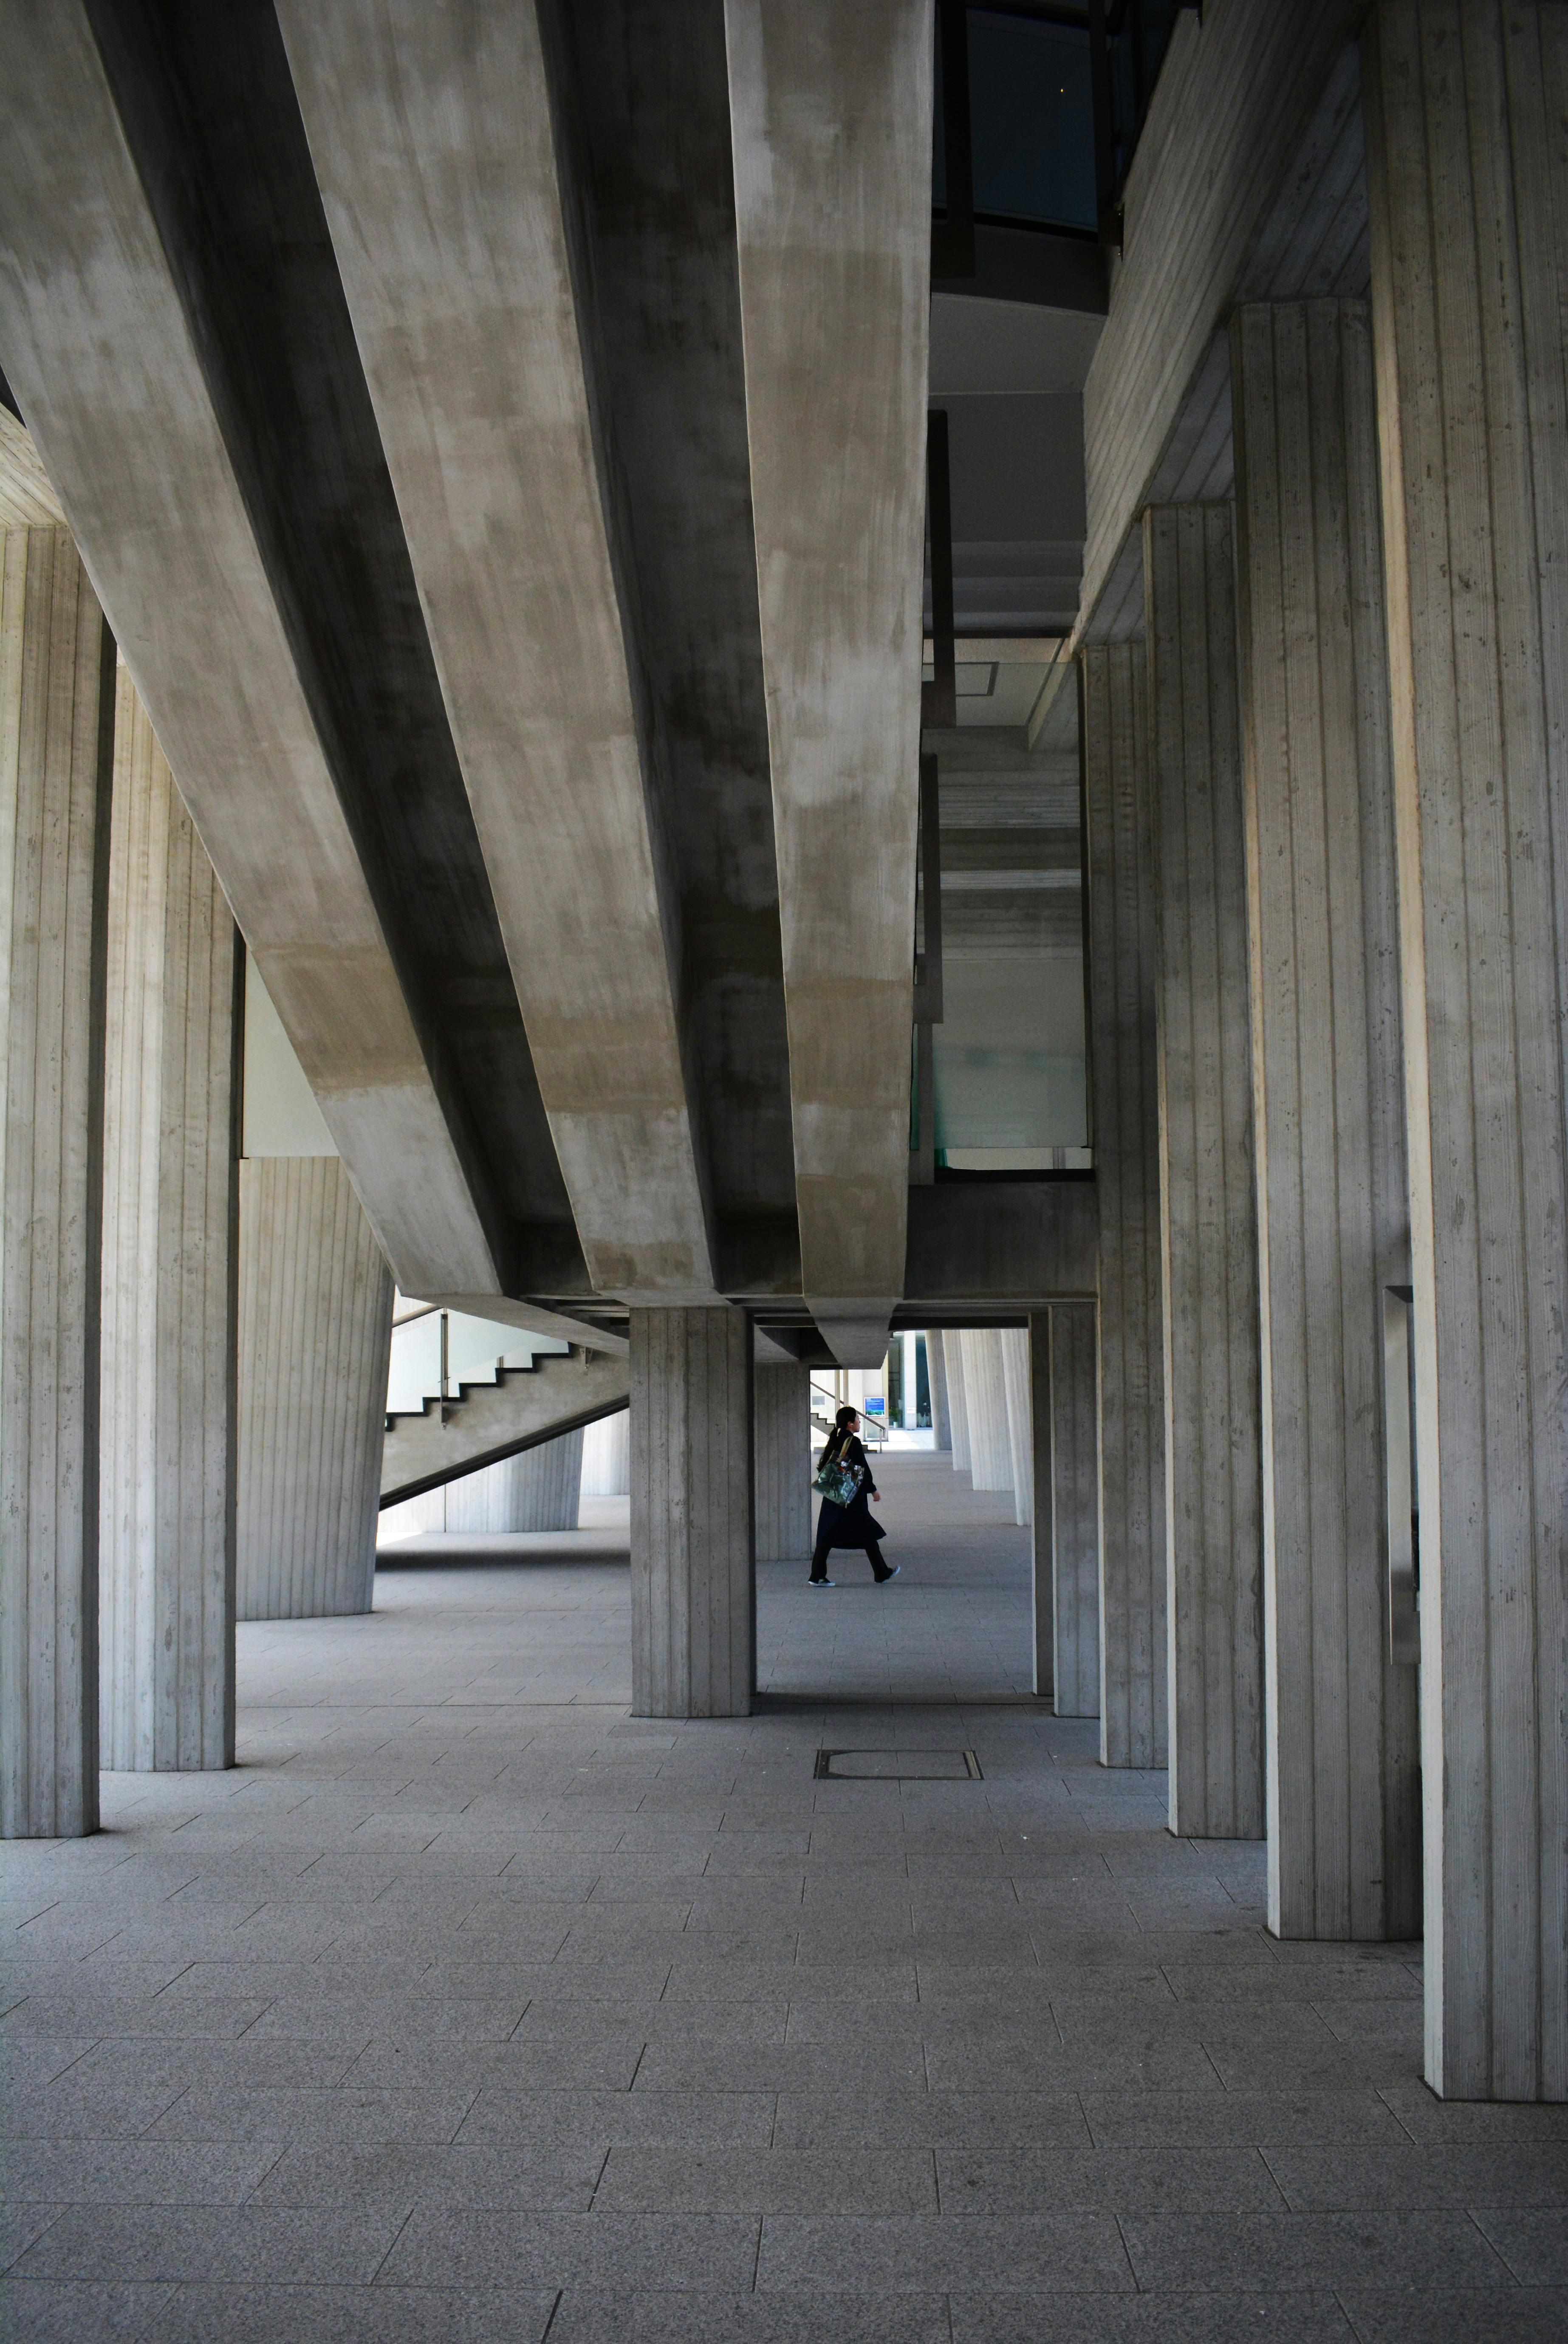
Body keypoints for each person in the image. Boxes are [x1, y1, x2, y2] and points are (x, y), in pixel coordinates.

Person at [810, 1405, 900, 1587]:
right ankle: (881, 1572)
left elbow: (824, 1465)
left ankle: (817, 1575)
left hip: (833, 1495)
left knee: (827, 1535)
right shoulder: (853, 1442)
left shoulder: (835, 1437)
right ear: (850, 1424)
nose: (859, 1422)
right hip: (852, 1497)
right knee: (866, 1531)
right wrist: (873, 1490)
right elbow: (862, 1470)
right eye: (857, 1419)